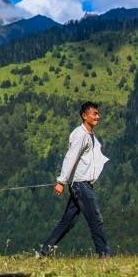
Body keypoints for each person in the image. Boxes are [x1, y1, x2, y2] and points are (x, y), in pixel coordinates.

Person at [38, 101, 111, 258]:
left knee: (67, 222)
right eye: (94, 114)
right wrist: (61, 181)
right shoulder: (80, 135)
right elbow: (70, 158)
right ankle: (104, 255)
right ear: (84, 116)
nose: (98, 116)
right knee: (96, 219)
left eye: (97, 113)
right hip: (81, 185)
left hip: (82, 185)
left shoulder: (89, 135)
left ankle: (44, 252)